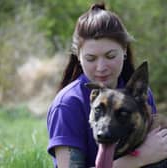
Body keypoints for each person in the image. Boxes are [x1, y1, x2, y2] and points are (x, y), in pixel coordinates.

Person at [47, 3, 167, 168]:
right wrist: (138, 159)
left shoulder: (139, 94)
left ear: (124, 50)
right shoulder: (68, 104)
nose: (101, 67)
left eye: (110, 56)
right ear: (79, 57)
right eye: (91, 58)